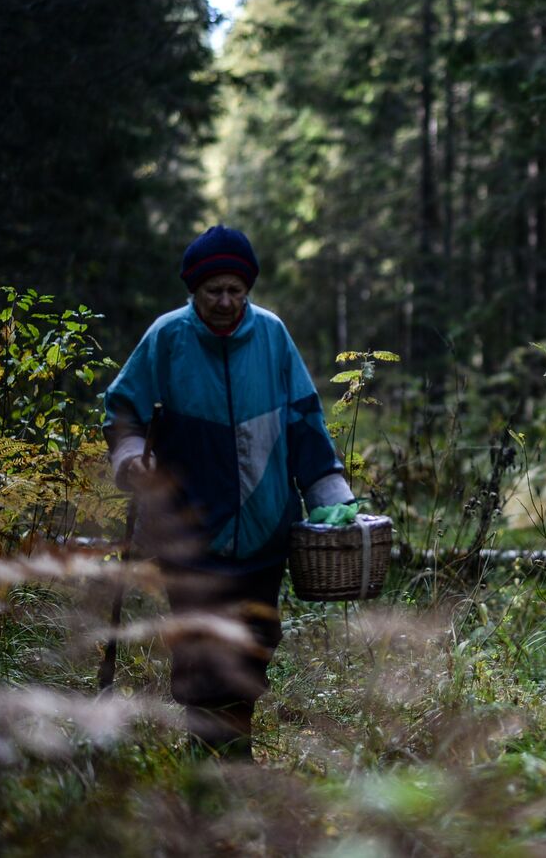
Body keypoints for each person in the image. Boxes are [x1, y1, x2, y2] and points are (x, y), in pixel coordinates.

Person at [103, 224, 354, 757]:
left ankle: (234, 747)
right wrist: (130, 458)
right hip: (189, 533)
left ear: (248, 290)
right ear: (194, 291)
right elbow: (123, 411)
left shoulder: (273, 337)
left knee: (253, 645)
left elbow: (306, 422)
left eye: (235, 290)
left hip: (265, 531)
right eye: (213, 290)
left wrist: (331, 495)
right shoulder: (166, 338)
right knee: (199, 648)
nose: (225, 301)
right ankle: (207, 756)